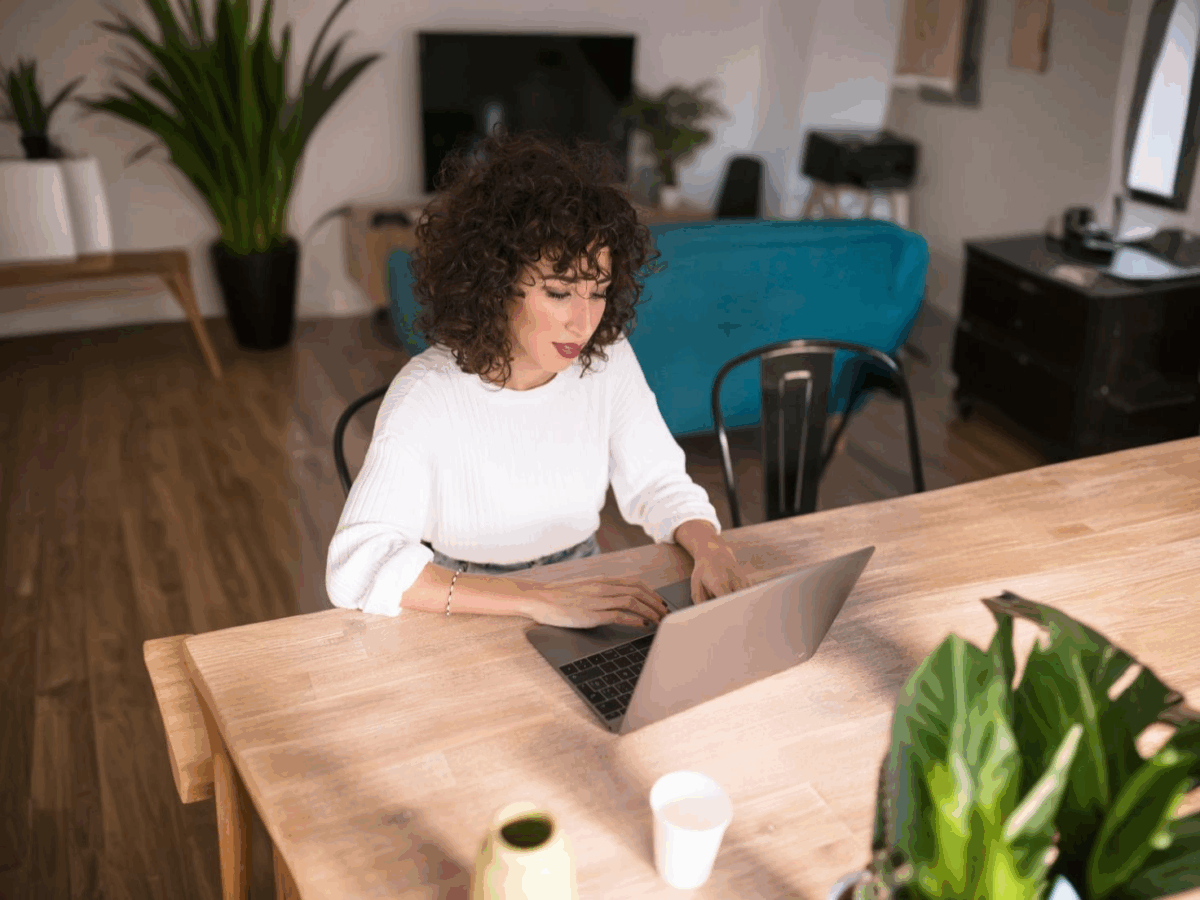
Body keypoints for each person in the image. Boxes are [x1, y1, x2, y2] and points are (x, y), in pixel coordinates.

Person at [326, 130, 751, 629]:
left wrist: (711, 548)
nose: (584, 321)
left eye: (599, 292)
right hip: (466, 600)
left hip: (587, 579)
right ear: (494, 282)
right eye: (559, 292)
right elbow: (356, 565)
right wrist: (537, 599)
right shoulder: (427, 392)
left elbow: (659, 481)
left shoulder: (607, 358)